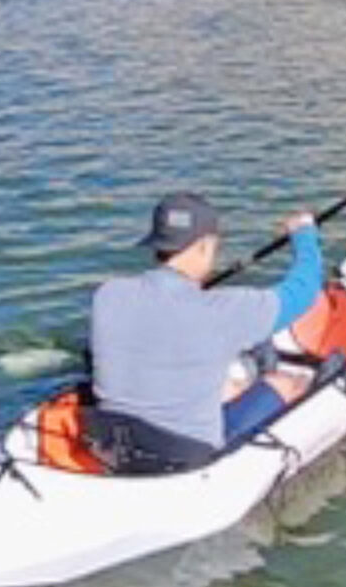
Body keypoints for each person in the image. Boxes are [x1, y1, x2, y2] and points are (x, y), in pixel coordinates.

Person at [87, 190, 324, 473]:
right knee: (286, 382)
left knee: (224, 385)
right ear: (204, 246)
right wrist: (304, 233)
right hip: (186, 457)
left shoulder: (107, 295)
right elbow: (304, 289)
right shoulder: (226, 309)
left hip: (110, 445)